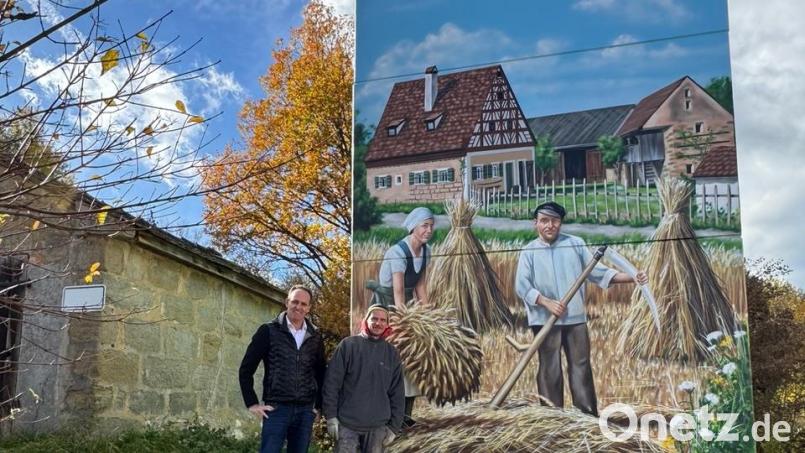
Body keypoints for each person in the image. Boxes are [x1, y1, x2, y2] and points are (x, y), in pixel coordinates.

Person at [515, 201, 648, 416]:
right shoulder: (528, 251)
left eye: (555, 221)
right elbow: (522, 286)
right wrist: (547, 302)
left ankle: (586, 417)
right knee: (550, 368)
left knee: (581, 365)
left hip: (575, 319)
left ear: (561, 223)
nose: (550, 225)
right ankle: (552, 418)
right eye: (544, 221)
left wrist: (633, 277)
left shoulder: (575, 244)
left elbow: (598, 273)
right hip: (544, 319)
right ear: (536, 224)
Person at [365, 206, 434, 426]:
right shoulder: (398, 252)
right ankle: (388, 416)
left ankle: (405, 416)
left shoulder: (426, 251)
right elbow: (397, 290)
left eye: (431, 225)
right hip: (386, 306)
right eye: (425, 225)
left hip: (406, 304)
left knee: (412, 359)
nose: (429, 230)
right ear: (414, 227)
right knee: (391, 359)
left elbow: (420, 287)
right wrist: (404, 323)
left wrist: (428, 316)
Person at [238, 285, 326, 453]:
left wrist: (318, 406)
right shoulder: (268, 331)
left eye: (303, 304)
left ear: (309, 308)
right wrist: (252, 403)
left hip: (305, 411)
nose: (298, 307)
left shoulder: (315, 336)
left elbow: (321, 373)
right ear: (287, 302)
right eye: (295, 302)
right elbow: (246, 369)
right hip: (276, 409)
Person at [323, 304, 404, 453]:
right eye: (374, 319)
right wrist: (331, 416)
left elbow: (397, 393)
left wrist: (394, 427)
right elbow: (331, 383)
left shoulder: (392, 353)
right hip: (347, 426)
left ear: (387, 323)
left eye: (382, 320)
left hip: (378, 428)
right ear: (366, 320)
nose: (378, 323)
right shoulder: (348, 346)